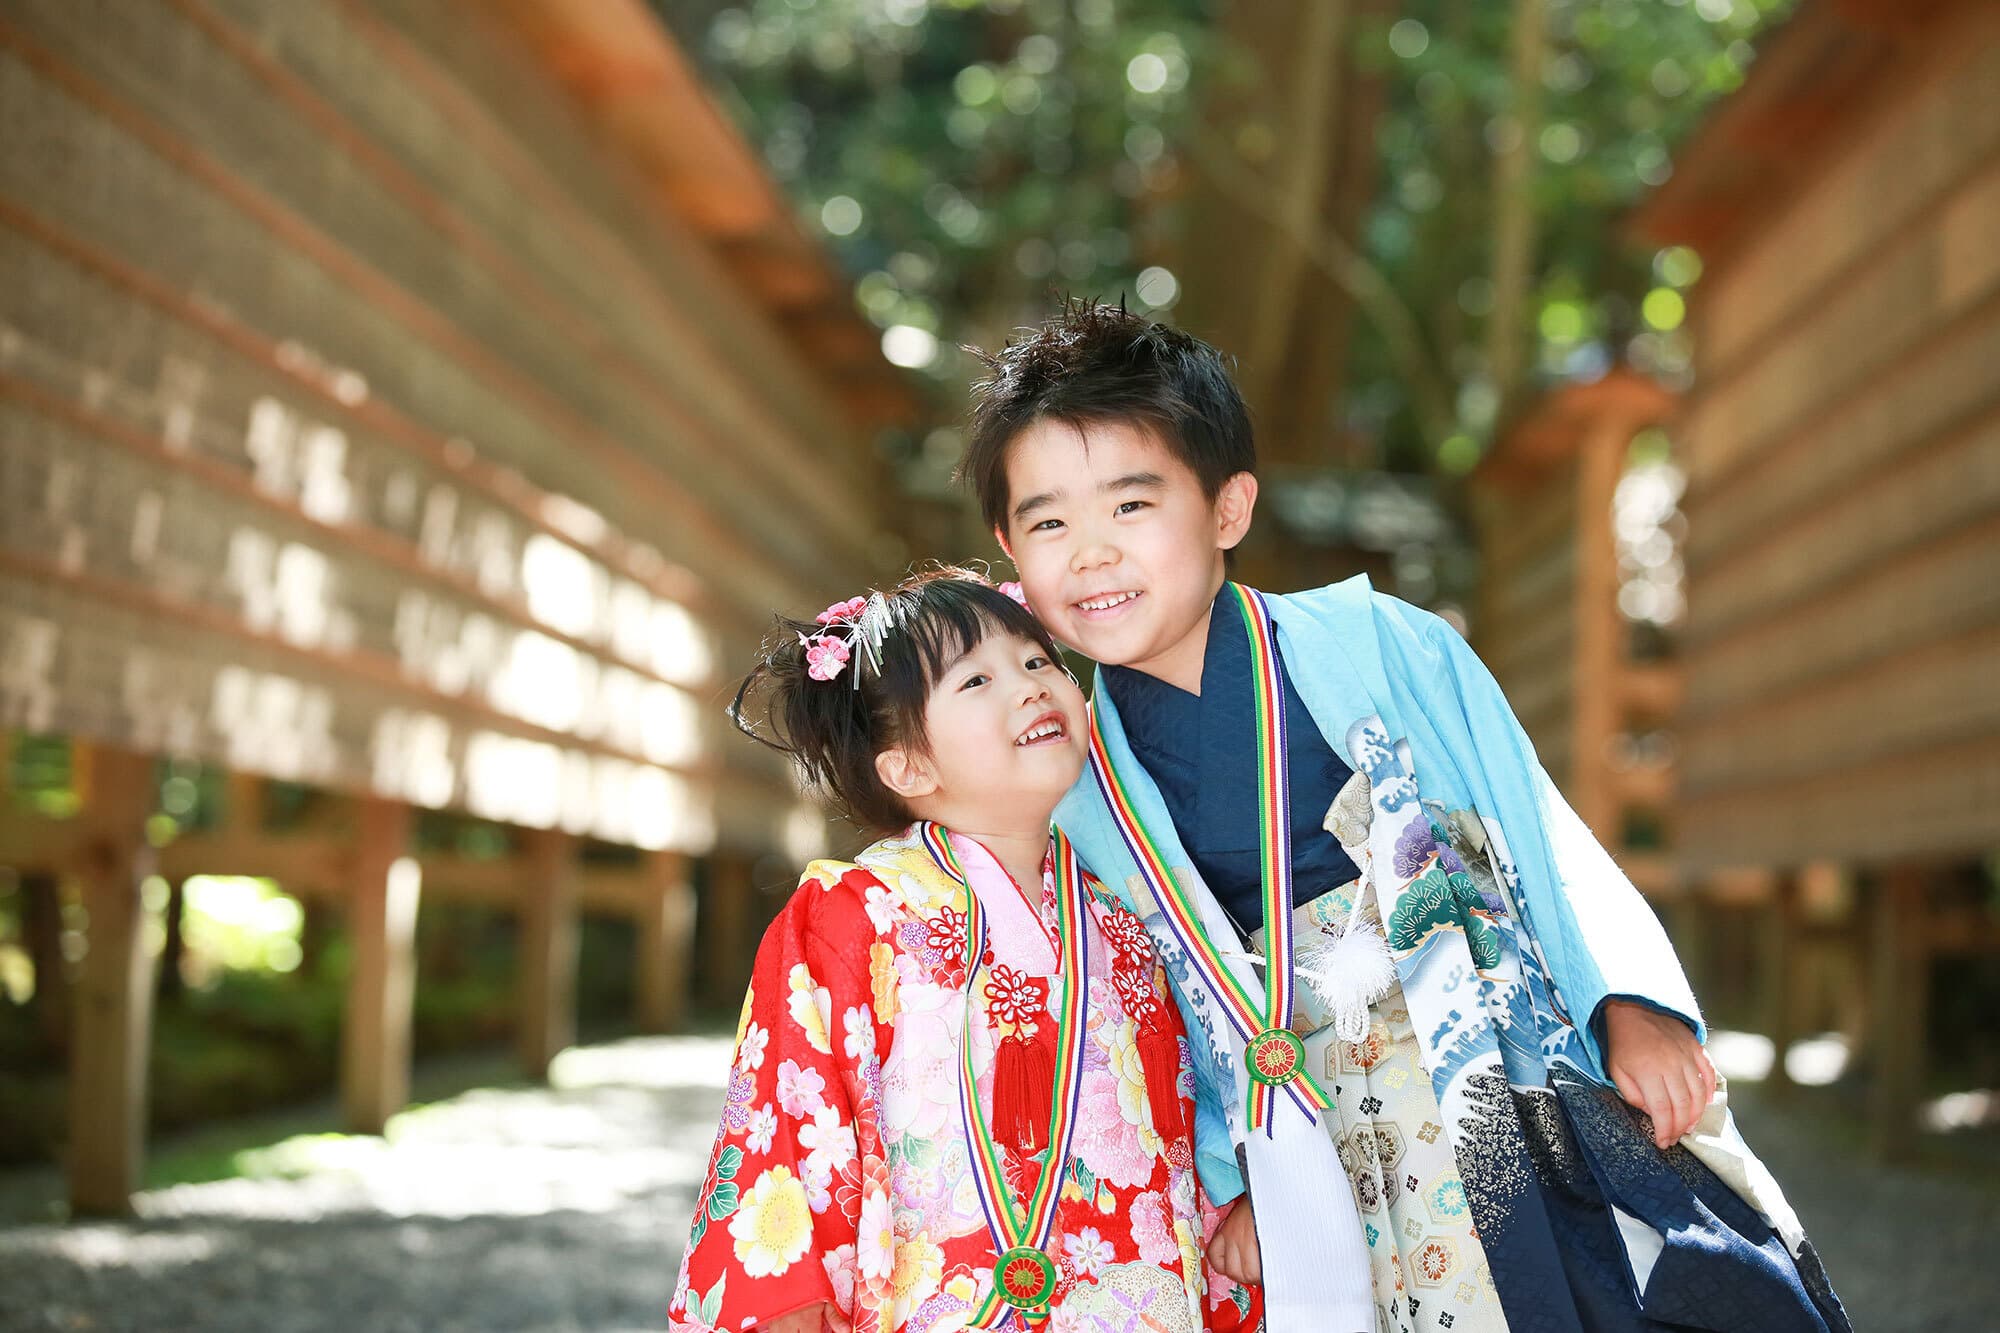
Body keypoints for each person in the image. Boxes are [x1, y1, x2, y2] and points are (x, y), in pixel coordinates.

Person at [956, 300, 1851, 1333]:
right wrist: (1225, 1166)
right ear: (1007, 549)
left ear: (1226, 508)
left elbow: (1534, 825)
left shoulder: (1376, 642)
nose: (1090, 554)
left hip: (1492, 1048)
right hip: (1306, 1121)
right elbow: (1138, 998)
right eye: (1048, 522)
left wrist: (1627, 1000)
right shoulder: (1073, 775)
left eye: (1129, 505)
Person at [668, 568, 1261, 1333]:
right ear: (909, 767)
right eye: (978, 678)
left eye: (1038, 660)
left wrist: (1232, 1205)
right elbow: (783, 1126)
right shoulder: (850, 917)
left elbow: (1185, 1116)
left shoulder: (1124, 918)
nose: (1030, 686)